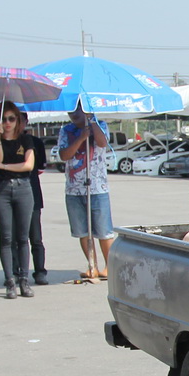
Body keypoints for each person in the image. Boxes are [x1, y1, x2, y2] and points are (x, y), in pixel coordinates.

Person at [57, 105, 115, 278]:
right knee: (82, 231)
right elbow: (64, 155)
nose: (74, 115)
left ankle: (110, 266)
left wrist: (91, 121)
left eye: (78, 110)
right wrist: (81, 137)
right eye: (71, 111)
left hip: (97, 187)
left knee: (104, 231)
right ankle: (92, 266)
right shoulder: (66, 130)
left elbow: (102, 143)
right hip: (74, 188)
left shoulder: (100, 125)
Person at [0, 100, 39, 299]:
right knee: (6, 237)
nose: (8, 123)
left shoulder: (26, 140)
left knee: (23, 237)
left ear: (18, 120)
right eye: (3, 119)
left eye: (11, 118)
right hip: (2, 189)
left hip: (23, 187)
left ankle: (24, 280)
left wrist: (5, 168)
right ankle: (10, 280)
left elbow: (28, 165)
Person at [29, 131, 49, 285]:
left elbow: (41, 166)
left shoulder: (35, 142)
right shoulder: (1, 142)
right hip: (9, 194)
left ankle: (40, 271)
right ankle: (15, 272)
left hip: (32, 191)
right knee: (12, 238)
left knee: (36, 237)